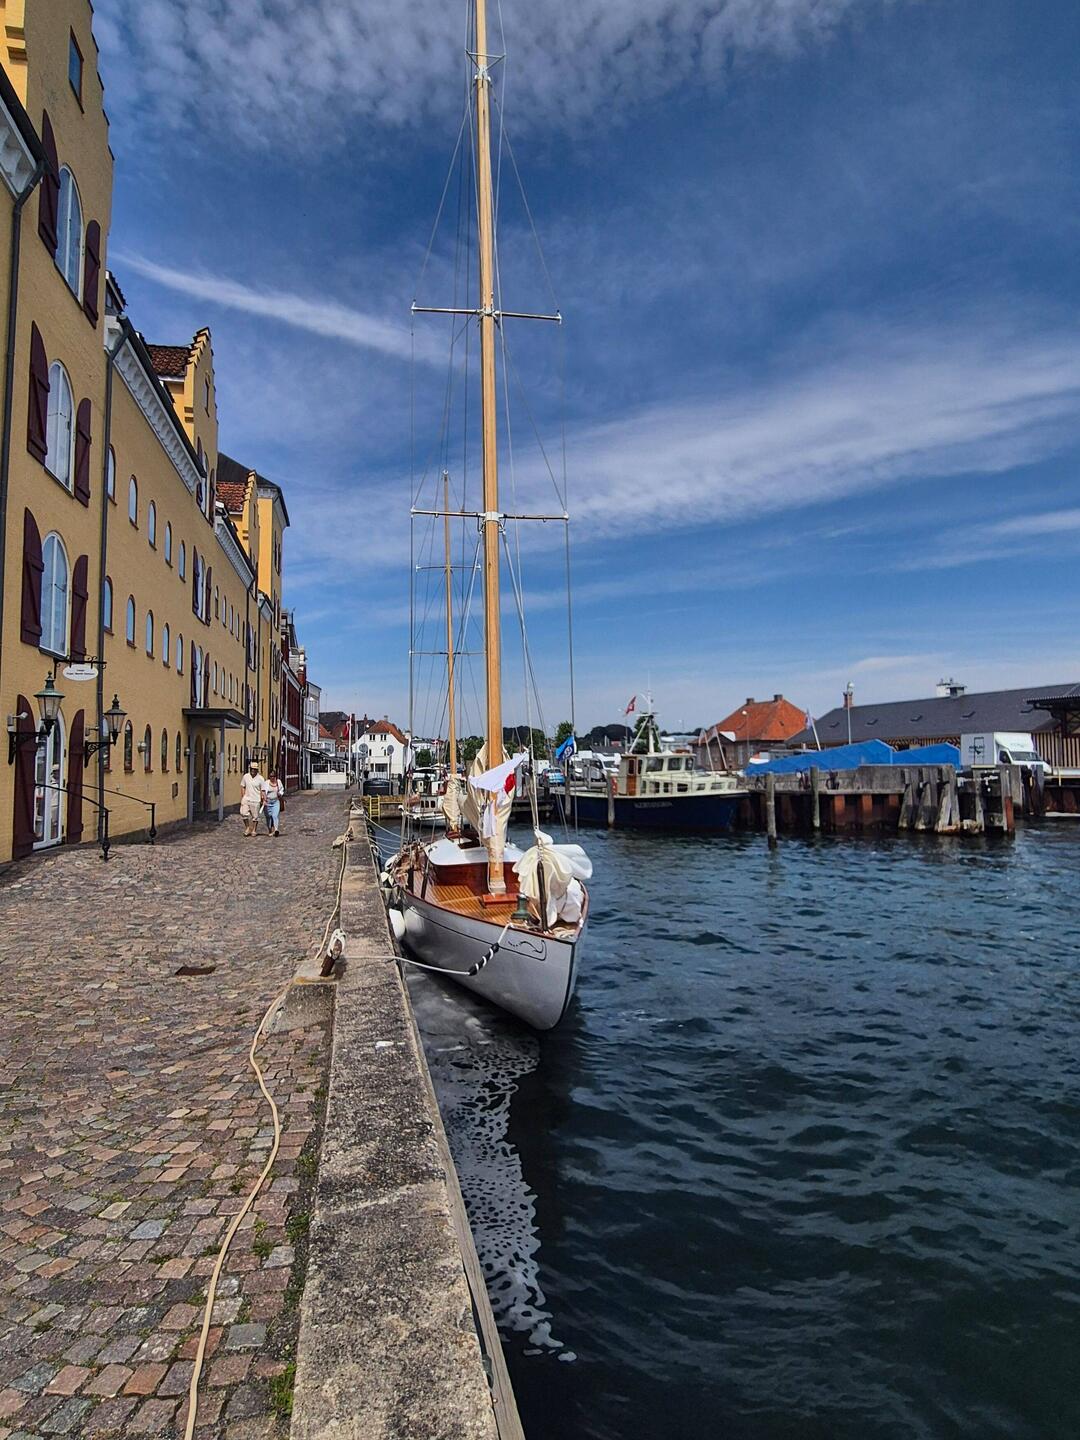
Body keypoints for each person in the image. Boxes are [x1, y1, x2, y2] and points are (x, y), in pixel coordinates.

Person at [240, 760, 264, 838]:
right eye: (252, 769)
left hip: (256, 799)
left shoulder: (260, 778)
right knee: (244, 813)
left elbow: (262, 790)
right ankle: (247, 827)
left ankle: (254, 830)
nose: (253, 770)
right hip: (246, 798)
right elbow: (243, 786)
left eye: (254, 769)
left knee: (255, 816)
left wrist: (262, 799)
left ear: (257, 770)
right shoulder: (246, 776)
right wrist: (243, 796)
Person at [262, 769, 284, 836]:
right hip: (268, 802)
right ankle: (270, 830)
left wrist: (280, 793)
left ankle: (276, 830)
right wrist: (264, 800)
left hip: (275, 801)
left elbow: (282, 789)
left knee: (275, 815)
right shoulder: (266, 783)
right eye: (271, 776)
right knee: (268, 817)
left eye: (273, 776)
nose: (272, 777)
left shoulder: (278, 782)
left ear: (275, 776)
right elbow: (263, 792)